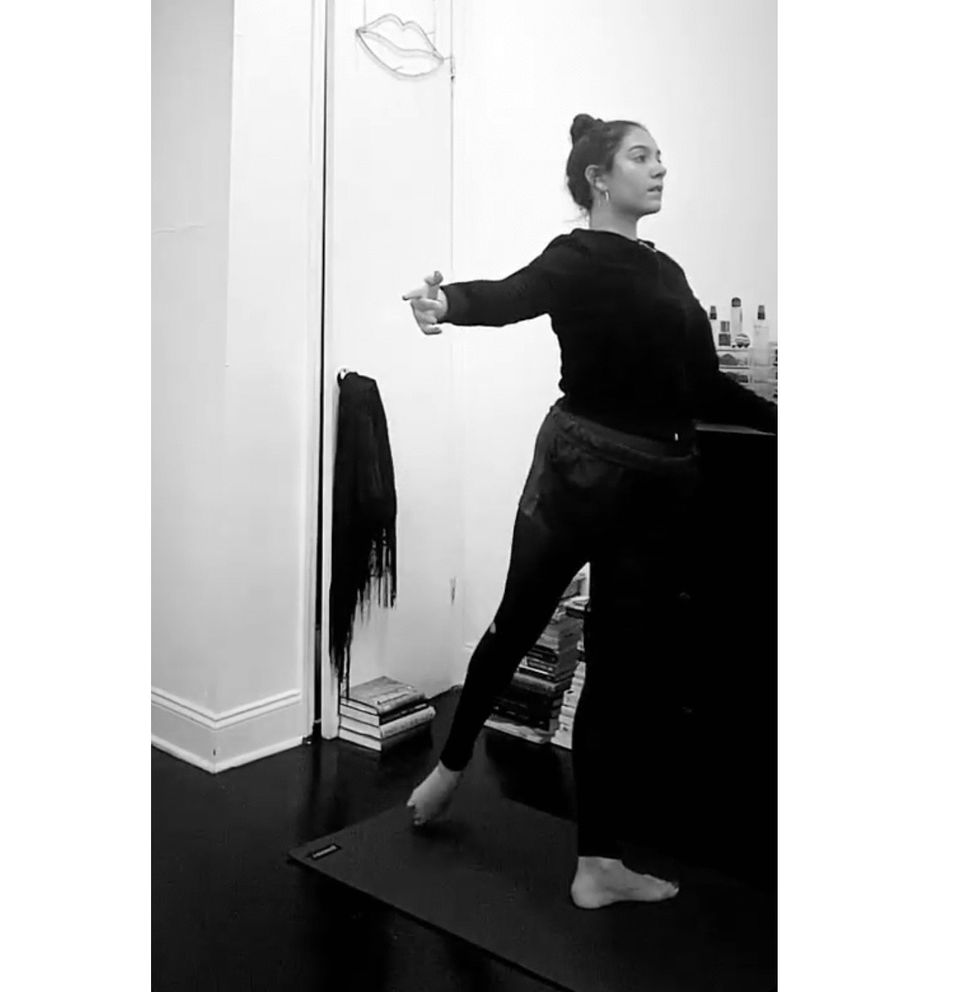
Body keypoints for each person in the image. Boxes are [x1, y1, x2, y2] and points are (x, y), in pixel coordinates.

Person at [400, 114, 776, 910]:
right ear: (599, 177)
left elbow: (702, 383)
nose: (660, 168)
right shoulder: (574, 257)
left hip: (661, 485)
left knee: (616, 670)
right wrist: (446, 304)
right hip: (578, 472)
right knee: (515, 625)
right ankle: (451, 766)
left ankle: (596, 863)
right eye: (642, 156)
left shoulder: (669, 271)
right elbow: (510, 296)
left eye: (662, 156)